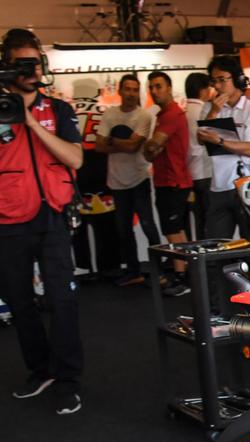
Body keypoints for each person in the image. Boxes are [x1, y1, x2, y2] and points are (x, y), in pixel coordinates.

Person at [0, 28, 86, 415]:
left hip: (54, 214)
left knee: (63, 301)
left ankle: (68, 379)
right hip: (9, 218)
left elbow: (75, 160)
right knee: (19, 301)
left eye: (36, 63)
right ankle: (40, 369)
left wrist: (31, 121)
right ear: (7, 67)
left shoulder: (58, 110)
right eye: (22, 64)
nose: (31, 71)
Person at [95, 73, 160, 287]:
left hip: (139, 178)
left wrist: (111, 140)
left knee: (148, 226)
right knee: (123, 230)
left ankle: (159, 271)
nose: (131, 94)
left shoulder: (143, 116)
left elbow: (134, 147)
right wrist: (122, 142)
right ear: (120, 91)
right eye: (127, 89)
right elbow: (98, 146)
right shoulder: (109, 115)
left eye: (135, 90)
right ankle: (134, 272)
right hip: (116, 181)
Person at [199, 57, 250, 241]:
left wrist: (220, 140)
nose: (218, 86)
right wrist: (213, 112)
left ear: (237, 80)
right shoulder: (210, 108)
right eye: (214, 81)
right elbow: (200, 138)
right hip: (218, 185)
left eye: (222, 80)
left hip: (246, 186)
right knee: (215, 245)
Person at [141, 71, 193, 297]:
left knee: (172, 232)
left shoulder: (172, 114)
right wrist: (151, 148)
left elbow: (151, 148)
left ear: (169, 88)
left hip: (173, 182)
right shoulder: (163, 115)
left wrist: (151, 147)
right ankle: (188, 275)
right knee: (177, 232)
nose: (154, 90)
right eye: (151, 87)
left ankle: (182, 278)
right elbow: (151, 152)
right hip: (168, 181)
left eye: (158, 86)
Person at [183, 72, 214, 240]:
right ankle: (210, 257)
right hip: (205, 171)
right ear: (202, 90)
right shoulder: (205, 110)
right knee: (208, 219)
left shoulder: (182, 111)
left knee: (195, 220)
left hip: (187, 174)